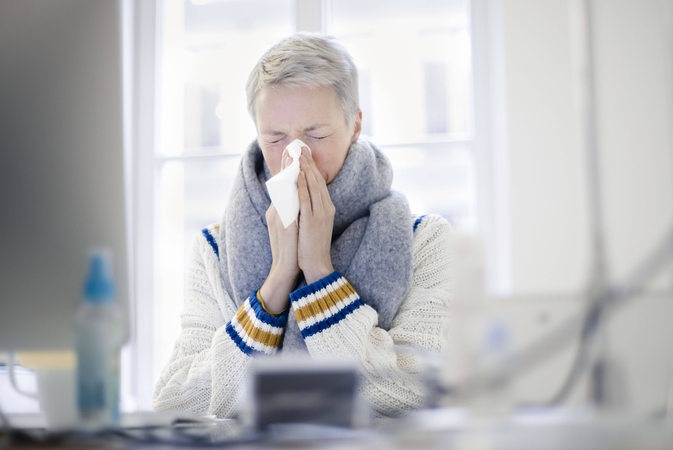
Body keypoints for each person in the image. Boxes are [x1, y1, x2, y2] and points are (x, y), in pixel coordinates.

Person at [152, 32, 452, 419]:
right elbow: (176, 400)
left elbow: (421, 391)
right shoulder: (214, 248)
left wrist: (319, 273)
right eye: (276, 138)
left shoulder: (423, 240)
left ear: (356, 126)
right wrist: (276, 283)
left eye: (317, 134)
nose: (296, 155)